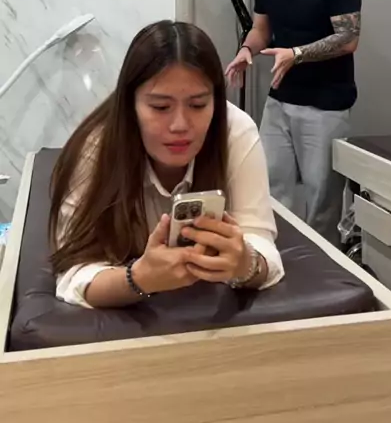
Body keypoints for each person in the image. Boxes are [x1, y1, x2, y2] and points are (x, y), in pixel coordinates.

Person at [49, 20, 284, 308]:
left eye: (198, 105)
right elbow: (73, 274)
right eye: (160, 107)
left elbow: (262, 246)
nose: (179, 125)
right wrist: (139, 279)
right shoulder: (95, 147)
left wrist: (244, 263)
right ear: (130, 105)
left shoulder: (236, 132)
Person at [225, 0, 361, 244]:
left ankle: (323, 264)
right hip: (279, 102)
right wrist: (246, 50)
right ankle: (274, 255)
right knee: (269, 185)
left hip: (325, 105)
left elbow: (348, 39)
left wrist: (296, 54)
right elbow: (261, 29)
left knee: (321, 196)